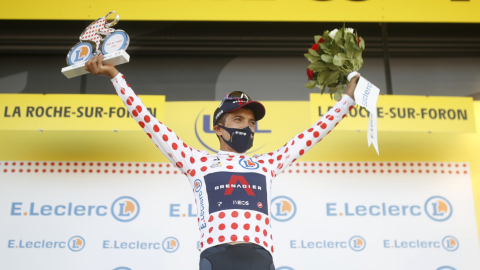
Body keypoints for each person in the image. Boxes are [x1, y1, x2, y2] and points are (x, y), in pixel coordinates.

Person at [85, 54, 359, 270]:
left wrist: (347, 99)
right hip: (217, 257)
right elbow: (148, 121)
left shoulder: (266, 163)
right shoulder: (196, 160)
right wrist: (115, 75)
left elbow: (313, 134)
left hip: (260, 258)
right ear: (218, 128)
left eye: (251, 122)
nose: (247, 127)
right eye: (237, 119)